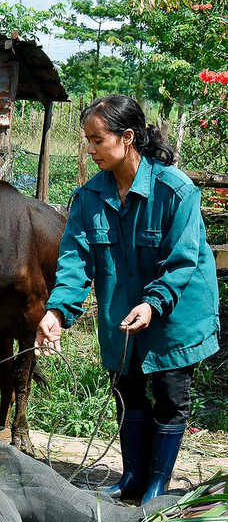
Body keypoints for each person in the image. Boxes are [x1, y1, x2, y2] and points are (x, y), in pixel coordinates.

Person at [35, 94, 220, 504]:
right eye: (87, 140)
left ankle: (158, 483)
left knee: (170, 394)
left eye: (97, 140)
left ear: (128, 137)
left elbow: (183, 259)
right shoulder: (89, 198)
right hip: (122, 307)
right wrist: (57, 311)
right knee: (127, 388)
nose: (90, 149)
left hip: (177, 307)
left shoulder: (175, 191)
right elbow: (75, 259)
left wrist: (154, 302)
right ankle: (133, 477)